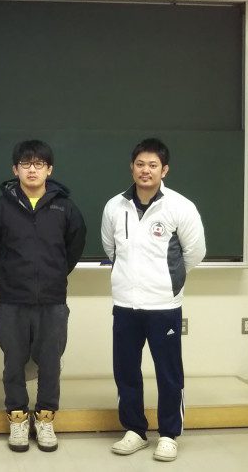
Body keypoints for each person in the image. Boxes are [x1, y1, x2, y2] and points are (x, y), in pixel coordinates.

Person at [101, 138, 206, 462]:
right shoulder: (115, 206)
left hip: (164, 307)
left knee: (168, 373)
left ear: (164, 170)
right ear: (131, 167)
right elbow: (110, 249)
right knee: (126, 371)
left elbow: (194, 253)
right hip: (125, 304)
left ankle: (169, 435)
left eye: (153, 165)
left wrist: (167, 282)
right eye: (140, 164)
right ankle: (134, 430)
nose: (145, 170)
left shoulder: (180, 206)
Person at [0, 140, 86, 453]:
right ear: (15, 169)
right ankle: (17, 418)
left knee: (50, 362)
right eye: (26, 164)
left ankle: (46, 418)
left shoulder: (65, 208)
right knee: (13, 362)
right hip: (12, 301)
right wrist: (9, 281)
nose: (32, 170)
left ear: (49, 169)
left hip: (52, 301)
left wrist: (53, 276)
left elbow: (73, 248)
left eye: (39, 164)